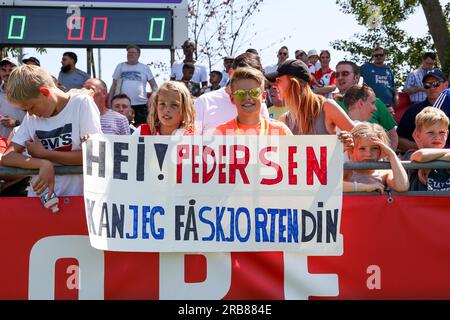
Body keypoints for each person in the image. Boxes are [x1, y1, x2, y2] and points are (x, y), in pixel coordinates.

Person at [2, 65, 102, 196]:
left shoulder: (81, 104)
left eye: (31, 107)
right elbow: (8, 157)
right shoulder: (31, 117)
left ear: (45, 93)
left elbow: (93, 156)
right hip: (39, 201)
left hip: (75, 201)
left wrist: (44, 154)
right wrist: (42, 163)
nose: (30, 114)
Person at [265, 59, 354, 135]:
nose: (274, 85)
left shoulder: (327, 107)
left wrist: (349, 141)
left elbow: (360, 138)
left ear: (294, 83)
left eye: (278, 80)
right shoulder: (284, 119)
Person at [194, 52, 270, 135]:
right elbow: (190, 142)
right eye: (242, 75)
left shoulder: (260, 104)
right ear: (230, 73)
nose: (248, 81)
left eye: (254, 77)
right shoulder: (204, 102)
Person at [334, 61, 398, 150]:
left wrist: (388, 158)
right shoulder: (331, 105)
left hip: (376, 161)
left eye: (345, 74)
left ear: (356, 78)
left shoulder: (376, 102)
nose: (340, 77)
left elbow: (392, 135)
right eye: (337, 75)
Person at [215, 67, 292, 136]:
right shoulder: (221, 133)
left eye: (254, 92)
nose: (247, 97)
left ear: (264, 96)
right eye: (240, 93)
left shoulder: (280, 131)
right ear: (232, 98)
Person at [344, 122, 408, 193]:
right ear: (351, 150)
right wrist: (366, 187)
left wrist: (391, 155)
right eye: (362, 149)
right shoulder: (347, 170)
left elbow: (402, 187)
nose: (368, 154)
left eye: (374, 148)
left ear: (382, 149)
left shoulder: (384, 173)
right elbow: (332, 186)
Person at [397, 68, 449, 151]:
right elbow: (399, 140)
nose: (431, 88)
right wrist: (423, 147)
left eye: (436, 84)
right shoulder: (413, 111)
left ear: (446, 85)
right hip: (421, 161)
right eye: (427, 85)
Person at [109, 45, 158, 126]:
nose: (130, 54)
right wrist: (110, 103)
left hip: (141, 105)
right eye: (128, 53)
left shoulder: (145, 68)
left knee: (140, 129)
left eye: (133, 52)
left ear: (138, 55)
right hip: (122, 105)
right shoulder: (120, 66)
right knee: (121, 127)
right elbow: (113, 85)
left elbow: (155, 86)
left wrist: (152, 99)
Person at [404, 107, 450, 191]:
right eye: (430, 132)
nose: (437, 137)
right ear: (418, 135)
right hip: (420, 203)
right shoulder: (410, 153)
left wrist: (428, 161)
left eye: (442, 132)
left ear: (447, 134)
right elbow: (421, 155)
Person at [360, 46, 398, 115]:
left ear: (384, 56)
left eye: (381, 55)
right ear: (373, 57)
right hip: (371, 105)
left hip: (388, 106)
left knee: (388, 126)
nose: (378, 57)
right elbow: (353, 74)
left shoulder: (388, 70)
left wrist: (396, 96)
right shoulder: (366, 67)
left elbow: (393, 87)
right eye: (376, 55)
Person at [0, 57, 25, 139]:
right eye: (3, 69)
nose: (7, 73)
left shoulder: (25, 93)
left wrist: (16, 123)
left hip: (20, 144)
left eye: (11, 70)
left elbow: (37, 120)